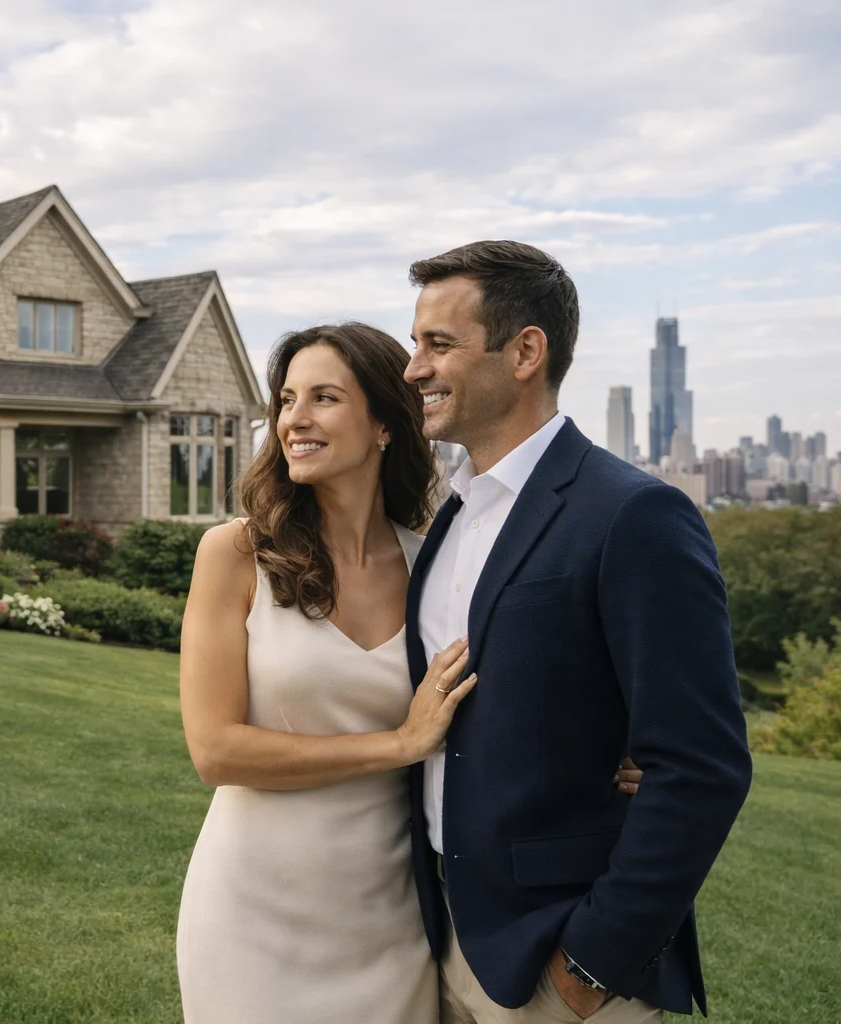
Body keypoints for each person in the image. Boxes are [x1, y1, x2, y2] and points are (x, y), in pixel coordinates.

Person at [174, 322, 641, 1023]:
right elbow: (215, 752)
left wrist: (612, 750)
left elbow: (506, 701)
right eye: (288, 399)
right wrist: (398, 743)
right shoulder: (234, 554)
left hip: (397, 916)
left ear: (388, 425)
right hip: (251, 908)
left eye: (324, 397)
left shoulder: (438, 562)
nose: (294, 418)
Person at [403, 240, 752, 1023]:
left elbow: (700, 766)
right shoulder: (452, 515)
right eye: (414, 343)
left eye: (438, 344)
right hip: (440, 936)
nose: (413, 369)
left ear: (526, 351)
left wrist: (590, 964)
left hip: (557, 964)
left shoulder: (633, 515)